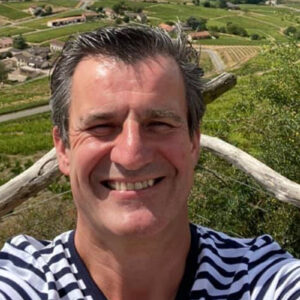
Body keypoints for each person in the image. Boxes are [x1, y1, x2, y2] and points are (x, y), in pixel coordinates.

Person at [0, 25, 299, 300]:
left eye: (159, 124)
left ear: (194, 141)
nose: (132, 156)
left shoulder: (260, 279)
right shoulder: (22, 281)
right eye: (101, 127)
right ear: (63, 149)